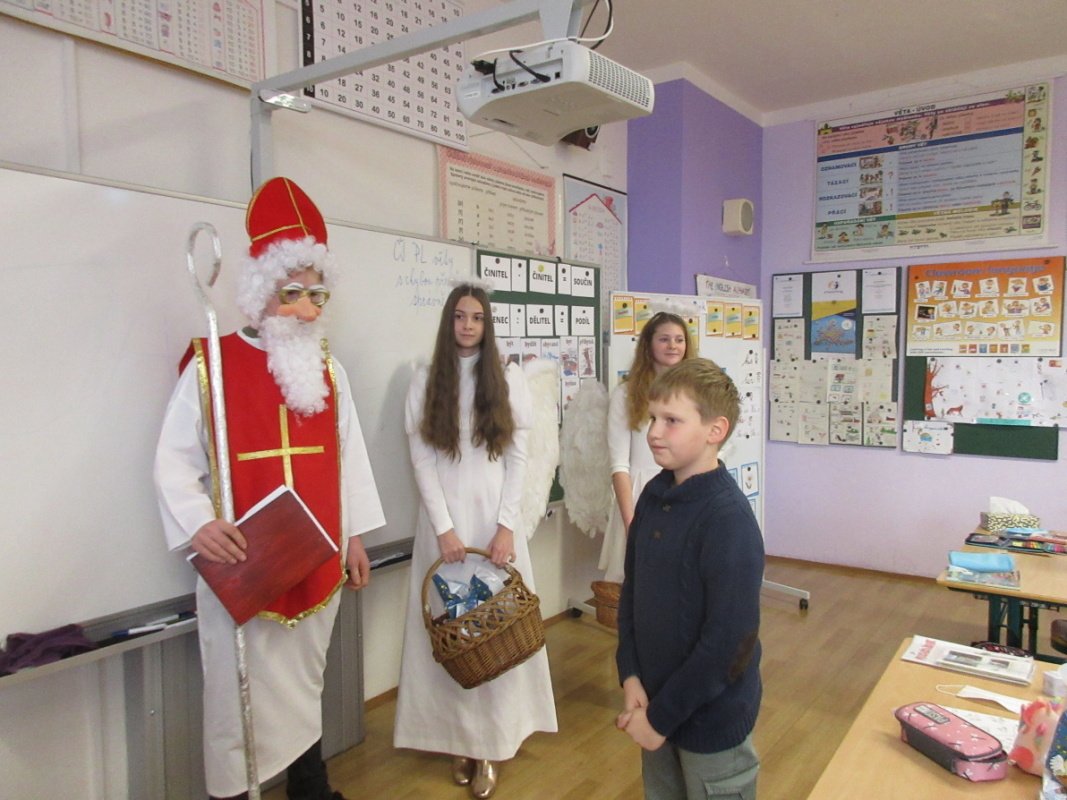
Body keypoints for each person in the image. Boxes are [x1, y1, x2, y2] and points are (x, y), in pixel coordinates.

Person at [154, 177, 386, 800]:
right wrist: (197, 522)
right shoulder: (211, 368)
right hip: (245, 568)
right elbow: (173, 461)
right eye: (293, 293)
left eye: (317, 294)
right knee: (237, 702)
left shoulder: (329, 369)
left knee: (305, 686)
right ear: (261, 292)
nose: (307, 309)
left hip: (315, 560)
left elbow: (348, 458)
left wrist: (354, 536)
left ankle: (310, 789)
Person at [393, 283, 557, 799]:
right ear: (449, 322)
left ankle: (490, 745)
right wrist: (444, 529)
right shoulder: (425, 380)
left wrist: (506, 525)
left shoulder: (507, 379)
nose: (468, 325)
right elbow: (421, 460)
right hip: (443, 528)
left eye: (478, 318)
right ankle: (456, 742)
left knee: (494, 633)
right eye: (460, 317)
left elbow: (518, 459)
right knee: (452, 634)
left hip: (493, 523)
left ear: (487, 325)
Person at [616, 358, 763, 800]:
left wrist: (660, 719)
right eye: (653, 418)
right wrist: (630, 673)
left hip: (708, 722)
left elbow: (728, 643)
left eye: (672, 421)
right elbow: (632, 595)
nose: (654, 432)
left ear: (715, 430)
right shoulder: (653, 495)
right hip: (654, 704)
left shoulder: (728, 519)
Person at [599, 312, 694, 582]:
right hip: (640, 498)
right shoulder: (626, 394)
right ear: (649, 345)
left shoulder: (696, 392)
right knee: (637, 584)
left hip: (686, 494)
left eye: (679, 339)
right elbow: (619, 465)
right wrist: (632, 522)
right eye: (664, 339)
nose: (673, 346)